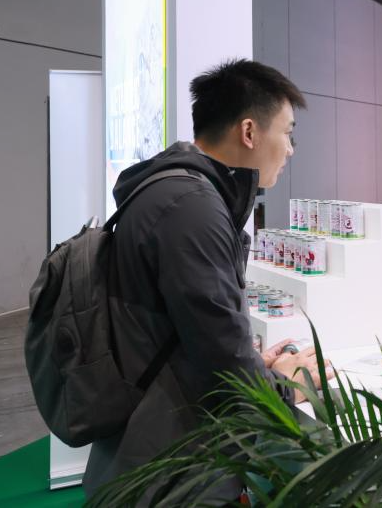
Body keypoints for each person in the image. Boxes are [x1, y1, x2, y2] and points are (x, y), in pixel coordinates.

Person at [84, 59, 332, 498]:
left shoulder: (178, 191)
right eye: (288, 133)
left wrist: (257, 365)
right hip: (167, 468)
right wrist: (286, 384)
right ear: (250, 132)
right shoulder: (192, 207)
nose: (291, 149)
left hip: (151, 450)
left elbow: (190, 334)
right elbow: (222, 361)